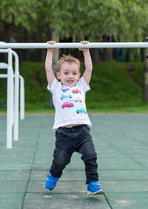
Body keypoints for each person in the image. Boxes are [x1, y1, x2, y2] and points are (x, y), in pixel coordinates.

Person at [44, 40, 105, 195]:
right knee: (60, 161)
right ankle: (53, 175)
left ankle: (93, 184)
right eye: (65, 73)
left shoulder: (81, 86)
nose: (70, 76)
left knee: (90, 156)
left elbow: (89, 69)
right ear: (59, 75)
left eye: (73, 73)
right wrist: (50, 51)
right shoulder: (56, 87)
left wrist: (86, 50)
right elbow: (48, 70)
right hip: (64, 134)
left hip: (83, 131)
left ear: (78, 75)